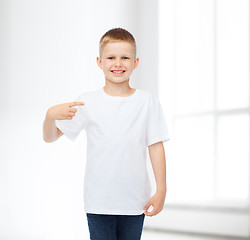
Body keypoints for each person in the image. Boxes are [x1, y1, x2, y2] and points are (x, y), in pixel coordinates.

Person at [43, 27, 170, 240]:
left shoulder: (147, 102)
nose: (118, 63)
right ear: (100, 62)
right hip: (98, 201)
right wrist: (49, 116)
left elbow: (156, 146)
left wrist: (162, 190)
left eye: (125, 57)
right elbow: (50, 137)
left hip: (135, 201)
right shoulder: (87, 102)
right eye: (111, 57)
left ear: (135, 62)